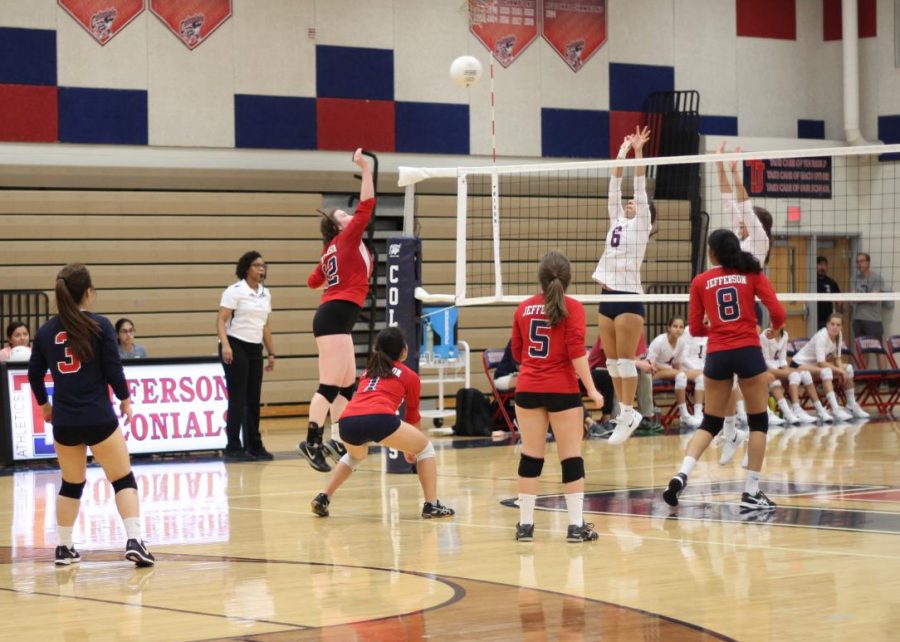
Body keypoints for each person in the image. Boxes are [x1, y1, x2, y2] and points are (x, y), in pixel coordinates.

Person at [27, 264, 154, 567]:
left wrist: (45, 405)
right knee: (123, 479)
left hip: (65, 422)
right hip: (99, 418)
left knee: (71, 485)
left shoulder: (45, 332)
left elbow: (34, 375)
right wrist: (125, 399)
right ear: (88, 293)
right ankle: (135, 540)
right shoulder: (100, 325)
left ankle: (65, 548)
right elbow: (113, 370)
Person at [662, 229, 785, 511]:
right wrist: (772, 329)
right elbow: (777, 312)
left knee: (710, 421)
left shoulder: (701, 281)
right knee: (758, 422)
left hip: (717, 354)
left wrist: (717, 328)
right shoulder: (751, 273)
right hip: (748, 351)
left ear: (712, 252)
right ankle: (751, 492)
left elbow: (694, 328)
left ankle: (681, 474)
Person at [310, 327, 454, 519]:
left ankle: (323, 497)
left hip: (348, 421)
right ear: (403, 350)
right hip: (379, 418)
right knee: (425, 449)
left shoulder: (369, 371)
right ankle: (432, 505)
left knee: (355, 457)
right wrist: (411, 449)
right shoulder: (409, 376)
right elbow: (412, 416)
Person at [512, 251, 604, 542]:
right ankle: (576, 527)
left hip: (527, 388)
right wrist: (591, 389)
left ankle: (525, 526)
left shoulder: (523, 308)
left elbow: (517, 351)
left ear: (541, 278)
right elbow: (577, 352)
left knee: (531, 456)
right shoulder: (573, 308)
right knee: (571, 458)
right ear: (568, 279)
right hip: (561, 389)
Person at [299, 148, 374, 472]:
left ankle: (337, 439)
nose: (349, 217)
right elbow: (368, 205)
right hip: (334, 316)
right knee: (329, 384)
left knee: (346, 384)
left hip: (336, 316)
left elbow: (312, 281)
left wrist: (331, 270)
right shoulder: (345, 240)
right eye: (343, 217)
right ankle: (311, 441)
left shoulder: (335, 248)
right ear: (338, 228)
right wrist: (366, 169)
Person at [592, 125, 655, 444]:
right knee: (612, 361)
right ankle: (626, 414)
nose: (630, 202)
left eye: (635, 203)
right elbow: (614, 184)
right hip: (607, 293)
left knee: (626, 360)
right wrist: (622, 151)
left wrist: (640, 152)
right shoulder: (617, 218)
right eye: (628, 203)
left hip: (629, 296)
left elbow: (639, 185)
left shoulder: (641, 223)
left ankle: (628, 411)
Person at [217, 251, 276, 461]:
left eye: (263, 265)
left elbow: (265, 325)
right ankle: (233, 446)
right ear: (246, 268)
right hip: (234, 345)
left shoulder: (265, 293)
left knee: (253, 399)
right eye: (257, 265)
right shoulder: (235, 291)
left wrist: (271, 352)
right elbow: (221, 320)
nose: (261, 269)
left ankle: (254, 445)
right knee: (238, 398)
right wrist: (225, 345)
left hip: (254, 348)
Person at [790, 313, 869, 421]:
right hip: (799, 364)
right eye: (832, 324)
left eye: (838, 325)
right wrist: (840, 372)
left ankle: (851, 405)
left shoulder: (839, 335)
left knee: (849, 368)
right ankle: (835, 408)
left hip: (814, 366)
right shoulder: (822, 336)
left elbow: (837, 358)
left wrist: (842, 370)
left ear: (841, 327)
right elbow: (821, 363)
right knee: (826, 371)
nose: (835, 327)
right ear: (827, 325)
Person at [759, 326, 816, 425]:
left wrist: (785, 371)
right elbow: (766, 361)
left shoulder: (784, 335)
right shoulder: (764, 336)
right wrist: (785, 373)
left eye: (778, 320)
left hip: (778, 367)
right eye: (773, 320)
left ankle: (818, 410)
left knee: (804, 374)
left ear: (783, 324)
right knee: (793, 375)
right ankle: (792, 411)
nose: (775, 324)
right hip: (767, 367)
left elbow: (782, 359)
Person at [647, 316, 697, 428]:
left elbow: (677, 365)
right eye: (675, 326)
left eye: (681, 327)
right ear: (668, 328)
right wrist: (671, 370)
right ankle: (684, 413)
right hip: (652, 373)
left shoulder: (682, 343)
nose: (678, 329)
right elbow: (650, 364)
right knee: (680, 374)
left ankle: (685, 414)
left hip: (668, 372)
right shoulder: (659, 341)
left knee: (682, 376)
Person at [851, 252, 893, 369]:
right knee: (862, 350)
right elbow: (852, 299)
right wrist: (865, 297)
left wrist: (859, 297)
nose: (860, 264)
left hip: (873, 320)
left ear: (868, 262)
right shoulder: (854, 278)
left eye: (862, 261)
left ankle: (883, 379)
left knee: (878, 349)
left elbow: (874, 299)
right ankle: (864, 378)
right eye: (858, 261)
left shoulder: (876, 278)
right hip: (858, 319)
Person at [816, 256, 842, 330]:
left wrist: (837, 317)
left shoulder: (831, 282)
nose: (822, 267)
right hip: (813, 319)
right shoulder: (811, 282)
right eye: (820, 264)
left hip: (827, 320)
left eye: (824, 265)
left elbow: (839, 301)